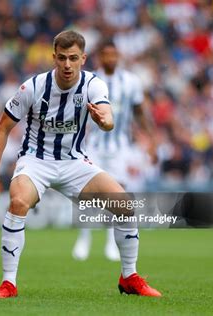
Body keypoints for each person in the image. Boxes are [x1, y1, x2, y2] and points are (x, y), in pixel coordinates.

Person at [0, 30, 161, 298]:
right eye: (62, 58)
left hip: (74, 162)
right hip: (36, 161)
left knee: (124, 204)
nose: (67, 65)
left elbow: (109, 117)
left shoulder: (94, 84)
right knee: (18, 202)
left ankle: (129, 277)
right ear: (54, 57)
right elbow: (1, 130)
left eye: (73, 58)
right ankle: (9, 283)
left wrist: (105, 121)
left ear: (83, 59)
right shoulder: (32, 87)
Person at [73, 38, 157, 262]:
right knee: (89, 193)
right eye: (106, 54)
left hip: (120, 147)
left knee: (118, 194)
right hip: (93, 145)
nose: (111, 58)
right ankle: (85, 237)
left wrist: (151, 140)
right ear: (100, 57)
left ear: (118, 56)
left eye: (114, 54)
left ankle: (111, 240)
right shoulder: (89, 80)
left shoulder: (130, 81)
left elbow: (139, 111)